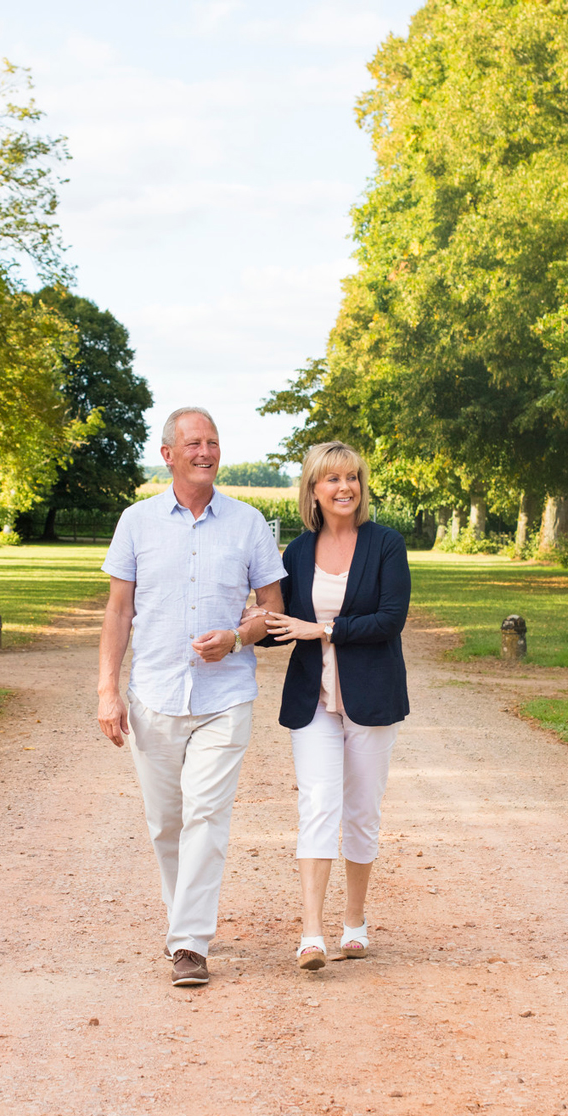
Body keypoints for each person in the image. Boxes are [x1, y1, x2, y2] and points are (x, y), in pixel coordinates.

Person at [97, 407, 287, 987]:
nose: (205, 451)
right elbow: (119, 610)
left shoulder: (250, 523)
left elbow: (273, 610)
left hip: (225, 697)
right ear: (168, 455)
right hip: (153, 694)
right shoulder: (136, 521)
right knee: (166, 822)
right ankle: (185, 920)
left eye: (213, 441)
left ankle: (189, 944)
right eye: (193, 443)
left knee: (206, 814)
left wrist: (236, 638)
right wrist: (107, 688)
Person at [261, 441, 410, 971]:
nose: (345, 487)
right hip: (314, 702)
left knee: (361, 813)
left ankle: (355, 921)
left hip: (371, 699)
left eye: (353, 478)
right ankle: (311, 933)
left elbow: (390, 619)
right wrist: (246, 624)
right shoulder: (298, 553)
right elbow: (281, 625)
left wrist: (322, 629)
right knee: (317, 805)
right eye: (332, 479)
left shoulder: (387, 545)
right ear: (313, 490)